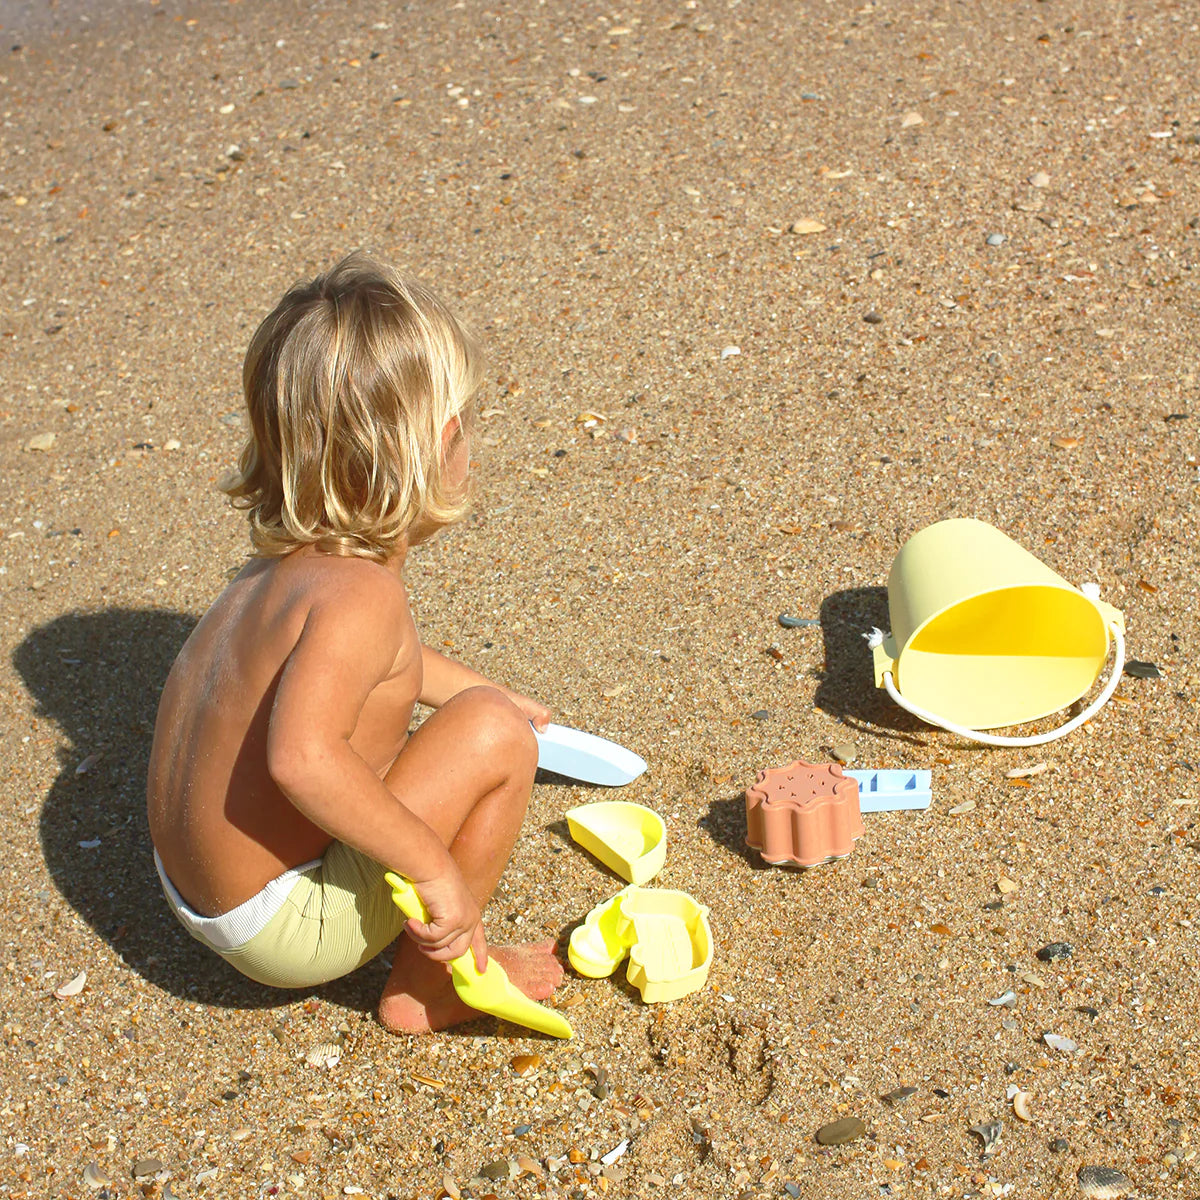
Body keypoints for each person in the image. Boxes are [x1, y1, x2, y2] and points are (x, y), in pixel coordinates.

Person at [146, 252, 563, 1032]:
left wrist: (481, 686)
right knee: (497, 738)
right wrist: (433, 869)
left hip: (189, 888)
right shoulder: (366, 595)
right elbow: (301, 757)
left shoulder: (279, 571)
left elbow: (386, 666)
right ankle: (429, 988)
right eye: (466, 423)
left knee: (482, 709)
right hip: (280, 930)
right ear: (440, 443)